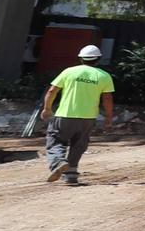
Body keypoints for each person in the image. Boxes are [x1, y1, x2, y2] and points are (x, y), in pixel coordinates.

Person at [41, 44, 114, 186]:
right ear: (98, 59)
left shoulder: (69, 72)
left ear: (81, 58)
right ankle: (71, 175)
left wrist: (47, 108)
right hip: (88, 118)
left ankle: (58, 162)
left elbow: (51, 91)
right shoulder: (103, 76)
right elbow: (107, 99)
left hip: (65, 115)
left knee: (56, 140)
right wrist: (108, 117)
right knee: (79, 145)